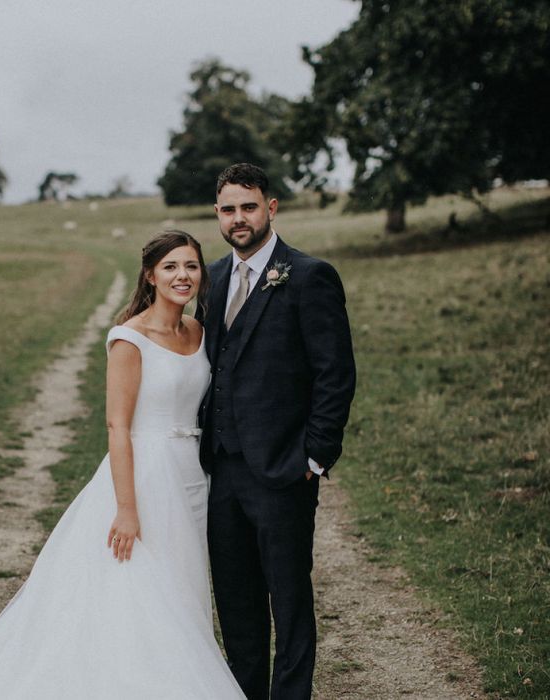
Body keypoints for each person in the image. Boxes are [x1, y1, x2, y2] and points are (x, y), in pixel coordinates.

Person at [0, 231, 245, 699]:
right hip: (144, 475)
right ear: (150, 275)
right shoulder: (129, 338)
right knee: (141, 596)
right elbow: (118, 427)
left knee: (183, 591)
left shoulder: (199, 333)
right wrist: (126, 507)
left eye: (192, 266)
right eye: (171, 267)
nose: (183, 276)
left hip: (191, 477)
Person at [198, 163, 356, 700]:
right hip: (222, 470)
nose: (238, 218)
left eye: (248, 206)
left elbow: (335, 374)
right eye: (228, 209)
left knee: (288, 601)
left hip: (283, 470)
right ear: (217, 214)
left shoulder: (309, 276)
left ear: (271, 207)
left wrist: (314, 457)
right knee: (237, 602)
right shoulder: (213, 277)